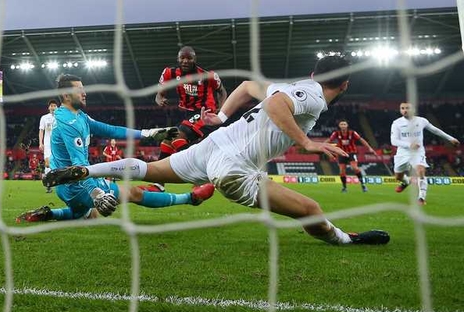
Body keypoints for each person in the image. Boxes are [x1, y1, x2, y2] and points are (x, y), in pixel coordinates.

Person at [44, 56, 390, 246]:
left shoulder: (294, 86)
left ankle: (88, 170)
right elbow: (276, 106)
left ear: (314, 73)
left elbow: (248, 86)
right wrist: (307, 142)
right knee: (311, 210)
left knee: (152, 170)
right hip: (234, 166)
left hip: (215, 144)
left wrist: (222, 117)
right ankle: (346, 240)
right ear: (345, 84)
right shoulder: (312, 95)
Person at [16, 74, 215, 223]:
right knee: (133, 193)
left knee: (88, 215)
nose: (84, 93)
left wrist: (147, 133)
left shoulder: (77, 116)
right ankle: (191, 198)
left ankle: (49, 213)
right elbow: (79, 165)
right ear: (66, 95)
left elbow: (110, 130)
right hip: (76, 185)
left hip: (66, 188)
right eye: (80, 90)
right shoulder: (70, 123)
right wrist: (97, 194)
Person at [144, 46, 228, 192]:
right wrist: (160, 98)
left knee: (178, 137)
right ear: (178, 59)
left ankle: (200, 176)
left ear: (195, 59)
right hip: (186, 113)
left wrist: (221, 110)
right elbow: (159, 93)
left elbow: (222, 91)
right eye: (182, 58)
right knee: (167, 141)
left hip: (205, 113)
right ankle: (159, 183)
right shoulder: (170, 73)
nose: (185, 61)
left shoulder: (207, 76)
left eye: (189, 58)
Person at [391, 102, 459, 205]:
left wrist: (451, 139)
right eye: (402, 108)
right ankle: (406, 182)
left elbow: (435, 130)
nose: (405, 110)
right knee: (398, 177)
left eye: (407, 108)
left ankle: (421, 198)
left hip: (418, 152)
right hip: (402, 153)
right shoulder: (397, 123)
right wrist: (409, 145)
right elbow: (394, 141)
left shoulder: (421, 121)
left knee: (421, 171)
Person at [325, 119, 377, 193]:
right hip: (342, 153)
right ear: (339, 126)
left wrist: (369, 148)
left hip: (351, 153)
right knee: (342, 171)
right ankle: (344, 187)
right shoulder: (336, 133)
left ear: (347, 125)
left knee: (355, 168)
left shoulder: (352, 133)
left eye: (344, 124)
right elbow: (329, 140)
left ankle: (363, 185)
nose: (343, 126)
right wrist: (321, 145)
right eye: (341, 124)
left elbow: (361, 139)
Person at [39, 99, 58, 192]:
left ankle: (57, 182)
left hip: (58, 143)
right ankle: (48, 184)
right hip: (48, 143)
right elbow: (41, 131)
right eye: (51, 106)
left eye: (55, 106)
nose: (53, 107)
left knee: (58, 163)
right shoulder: (44, 118)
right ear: (49, 107)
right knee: (47, 164)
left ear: (57, 107)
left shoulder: (60, 117)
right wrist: (40, 143)